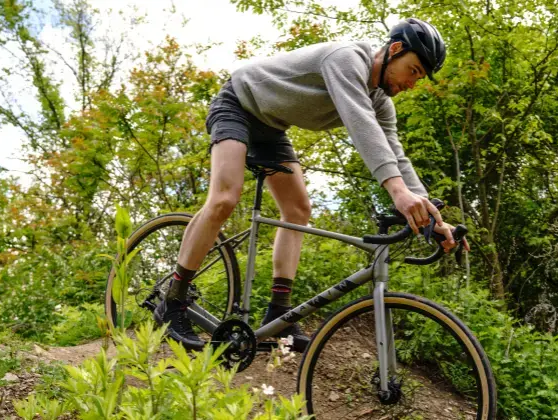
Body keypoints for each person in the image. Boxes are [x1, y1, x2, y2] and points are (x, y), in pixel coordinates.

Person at [154, 18, 460, 351]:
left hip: (271, 128)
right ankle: (172, 300)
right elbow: (361, 127)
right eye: (413, 71)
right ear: (395, 50)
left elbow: (394, 153)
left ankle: (278, 314)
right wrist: (398, 193)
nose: (412, 83)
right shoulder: (346, 59)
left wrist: (433, 217)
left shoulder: (381, 101)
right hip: (237, 105)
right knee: (225, 197)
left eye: (419, 77)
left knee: (298, 209)